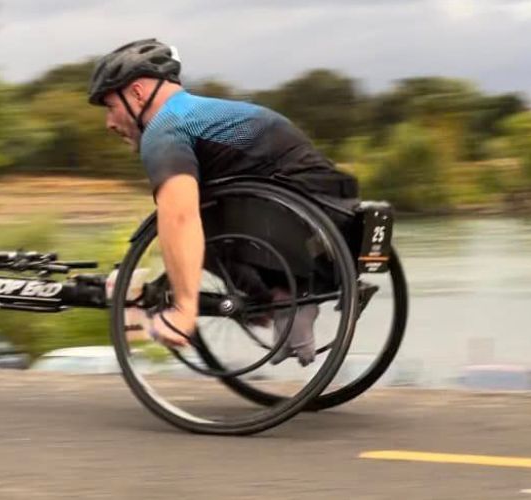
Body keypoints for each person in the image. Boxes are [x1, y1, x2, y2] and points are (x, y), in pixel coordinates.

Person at [88, 38, 363, 366]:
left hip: (294, 221)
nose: (109, 123)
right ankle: (281, 296)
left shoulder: (166, 128)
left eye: (110, 106)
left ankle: (283, 297)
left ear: (136, 93)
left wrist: (183, 310)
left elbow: (179, 217)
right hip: (325, 213)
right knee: (207, 214)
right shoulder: (199, 113)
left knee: (179, 221)